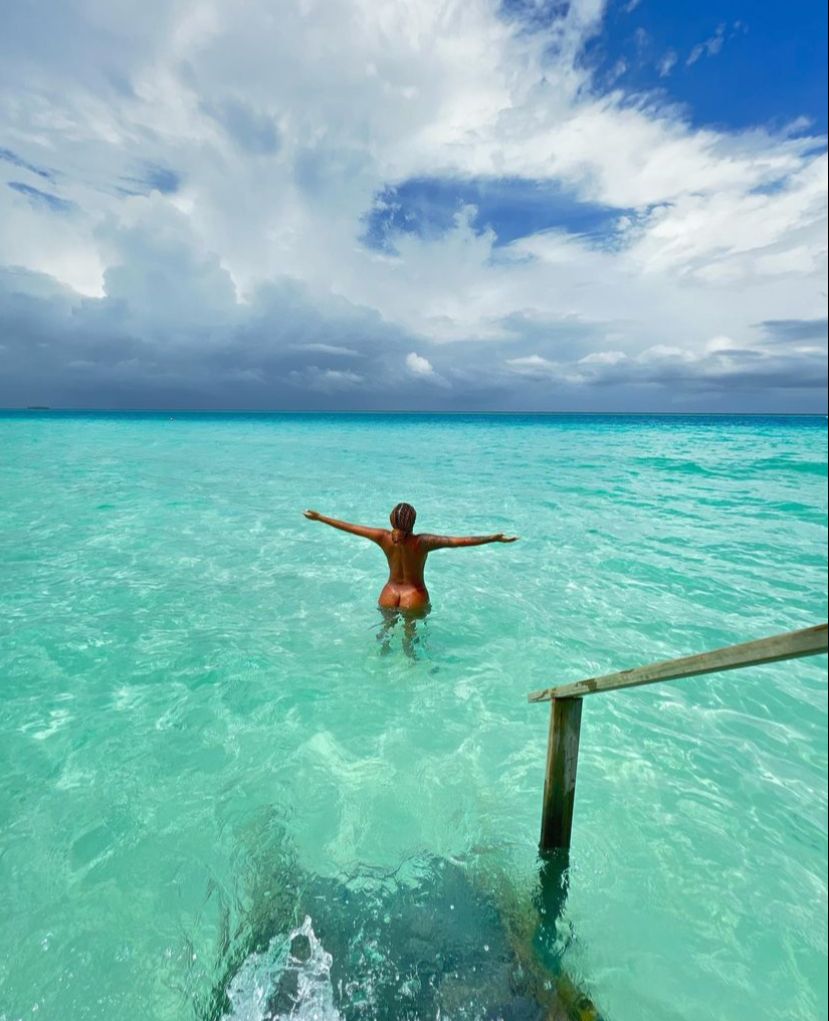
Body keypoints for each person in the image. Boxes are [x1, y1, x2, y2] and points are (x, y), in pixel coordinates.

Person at [303, 502, 518, 615]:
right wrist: (493, 538)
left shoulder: (383, 537)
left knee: (384, 635)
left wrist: (320, 517)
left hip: (389, 592)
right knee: (411, 642)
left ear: (391, 519)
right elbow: (458, 541)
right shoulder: (422, 542)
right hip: (413, 596)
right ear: (412, 522)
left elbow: (351, 528)